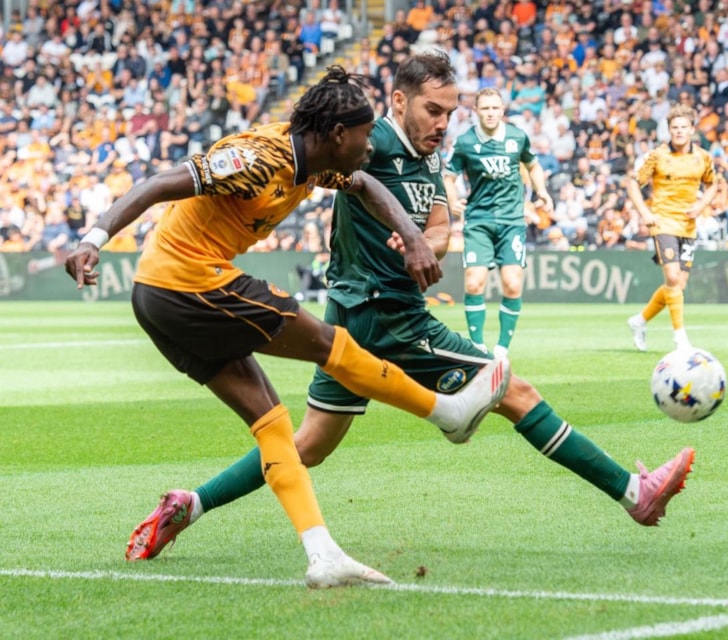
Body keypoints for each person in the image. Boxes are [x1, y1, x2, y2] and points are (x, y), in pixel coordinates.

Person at [121, 53, 695, 566]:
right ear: (399, 102)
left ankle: (190, 504)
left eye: (450, 112)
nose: (443, 123)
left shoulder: (428, 159)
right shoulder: (365, 141)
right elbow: (342, 171)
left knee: (309, 443)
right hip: (385, 313)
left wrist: (423, 241)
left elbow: (441, 227)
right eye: (432, 110)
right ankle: (633, 494)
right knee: (515, 392)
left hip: (358, 312)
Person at [63, 66, 510, 588]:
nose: (370, 147)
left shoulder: (318, 164)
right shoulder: (258, 159)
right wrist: (93, 239)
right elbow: (159, 184)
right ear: (338, 134)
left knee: (273, 425)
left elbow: (366, 184)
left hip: (164, 297)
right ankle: (447, 412)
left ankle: (323, 556)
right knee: (329, 343)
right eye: (364, 135)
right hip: (185, 283)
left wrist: (412, 236)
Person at [443, 87, 554, 358]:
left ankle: (502, 348)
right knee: (474, 283)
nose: (491, 113)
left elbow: (533, 165)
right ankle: (478, 347)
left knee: (513, 284)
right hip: (478, 220)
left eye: (495, 108)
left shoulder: (517, 137)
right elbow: (448, 176)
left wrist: (542, 190)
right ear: (476, 111)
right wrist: (452, 200)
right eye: (485, 108)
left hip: (512, 220)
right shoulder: (465, 142)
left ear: (502, 110)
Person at [626, 104, 718, 352]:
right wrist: (645, 213)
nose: (679, 131)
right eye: (674, 127)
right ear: (669, 130)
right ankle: (680, 337)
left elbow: (713, 184)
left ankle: (640, 320)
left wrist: (701, 206)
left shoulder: (703, 157)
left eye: (683, 127)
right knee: (673, 278)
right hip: (663, 222)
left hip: (688, 226)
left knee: (678, 285)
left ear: (692, 129)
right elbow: (633, 183)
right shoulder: (657, 155)